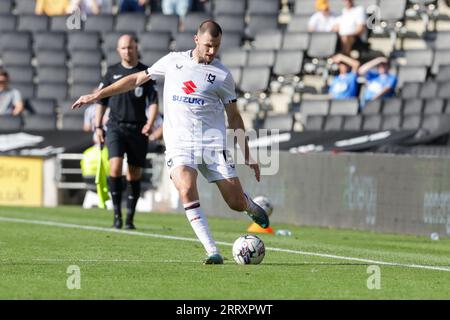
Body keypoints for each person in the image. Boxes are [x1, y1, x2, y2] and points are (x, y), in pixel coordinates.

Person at [72, 20, 270, 265]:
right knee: (186, 187)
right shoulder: (173, 61)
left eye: (216, 47)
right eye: (208, 45)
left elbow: (234, 117)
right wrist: (97, 95)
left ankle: (248, 203)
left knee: (235, 203)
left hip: (211, 144)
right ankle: (212, 250)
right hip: (179, 143)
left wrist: (247, 153)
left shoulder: (222, 76)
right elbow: (135, 80)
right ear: (196, 39)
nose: (212, 51)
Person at [93, 34, 159, 230]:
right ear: (118, 50)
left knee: (134, 174)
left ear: (136, 48)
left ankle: (129, 217)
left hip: (138, 128)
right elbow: (101, 101)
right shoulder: (112, 72)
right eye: (123, 48)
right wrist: (98, 126)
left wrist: (151, 122)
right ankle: (116, 215)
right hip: (115, 127)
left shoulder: (145, 73)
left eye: (130, 47)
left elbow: (154, 102)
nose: (127, 51)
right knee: (115, 167)